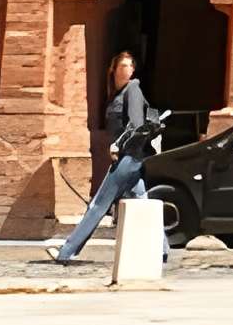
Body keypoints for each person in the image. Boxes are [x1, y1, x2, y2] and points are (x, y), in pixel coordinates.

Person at [47, 48, 164, 267]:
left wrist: (117, 145)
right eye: (123, 66)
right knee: (141, 200)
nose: (128, 70)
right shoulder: (116, 94)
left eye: (131, 66)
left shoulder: (133, 89)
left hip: (127, 157)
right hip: (131, 159)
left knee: (99, 204)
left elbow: (137, 125)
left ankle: (67, 251)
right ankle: (163, 249)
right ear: (114, 69)